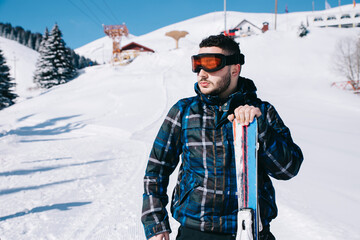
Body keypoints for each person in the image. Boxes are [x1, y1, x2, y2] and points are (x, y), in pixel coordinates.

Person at [141, 34, 303, 240]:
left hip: (252, 231)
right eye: (197, 64)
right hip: (196, 231)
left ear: (235, 69)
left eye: (211, 64)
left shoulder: (262, 112)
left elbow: (288, 169)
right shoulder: (184, 111)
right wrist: (156, 224)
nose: (201, 73)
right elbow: (156, 171)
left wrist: (259, 128)